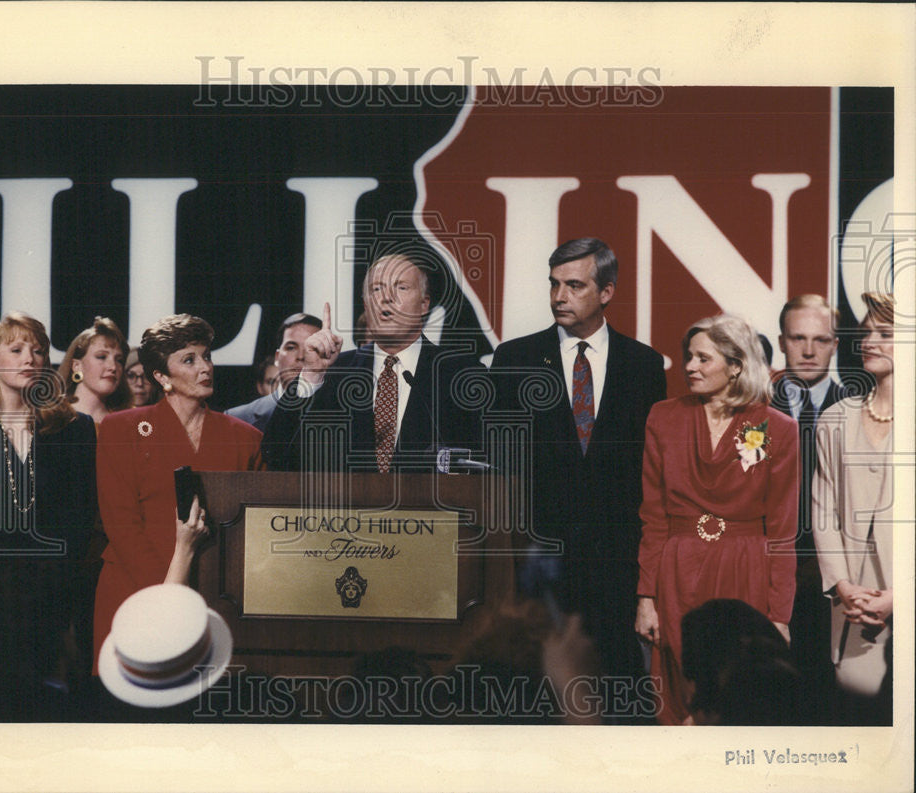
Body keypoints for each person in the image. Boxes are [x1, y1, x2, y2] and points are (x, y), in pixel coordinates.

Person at [489, 237, 666, 722]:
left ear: (606, 292)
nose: (558, 296)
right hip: (539, 564)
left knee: (621, 699)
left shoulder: (645, 365)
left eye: (573, 285)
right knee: (537, 700)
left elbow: (648, 473)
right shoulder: (514, 359)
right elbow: (501, 468)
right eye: (553, 285)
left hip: (616, 565)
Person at [634, 314, 798, 725]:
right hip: (677, 568)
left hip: (746, 569)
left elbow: (782, 530)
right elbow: (653, 516)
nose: (689, 366)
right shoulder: (662, 417)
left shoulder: (778, 428)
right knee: (676, 691)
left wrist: (778, 615)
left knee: (739, 694)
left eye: (703, 358)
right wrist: (646, 597)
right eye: (689, 357)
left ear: (736, 365)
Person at [0, 312, 97, 720]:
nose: (31, 358)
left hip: (49, 601)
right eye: (17, 349)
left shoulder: (73, 429)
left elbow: (82, 516)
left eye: (38, 350)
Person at [92, 314, 264, 672]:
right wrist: (170, 593)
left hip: (218, 601)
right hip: (136, 592)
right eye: (189, 360)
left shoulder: (245, 438)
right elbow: (121, 525)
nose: (205, 368)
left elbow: (254, 533)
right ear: (161, 377)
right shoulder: (121, 429)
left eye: (206, 356)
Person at [262, 252, 483, 472]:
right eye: (376, 289)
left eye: (401, 287)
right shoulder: (334, 372)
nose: (385, 297)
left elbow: (486, 465)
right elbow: (277, 455)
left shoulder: (461, 373)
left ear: (424, 304)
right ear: (366, 305)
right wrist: (311, 376)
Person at [812, 292, 894, 725]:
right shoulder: (835, 420)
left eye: (885, 333)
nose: (868, 341)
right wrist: (843, 587)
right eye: (866, 333)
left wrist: (900, 598)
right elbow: (824, 513)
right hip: (854, 613)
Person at [771, 293, 847, 723]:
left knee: (824, 693)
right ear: (782, 341)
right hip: (767, 564)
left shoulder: (860, 408)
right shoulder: (753, 408)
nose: (808, 349)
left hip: (834, 571)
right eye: (798, 337)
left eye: (820, 339)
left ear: (835, 345)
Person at [226, 312, 322, 432]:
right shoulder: (237, 418)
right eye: (291, 347)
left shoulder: (344, 413)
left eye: (312, 348)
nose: (301, 356)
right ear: (277, 357)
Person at [58, 316, 132, 427]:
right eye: (102, 357)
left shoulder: (130, 421)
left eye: (119, 360)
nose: (113, 367)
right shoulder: (52, 419)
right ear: (77, 366)